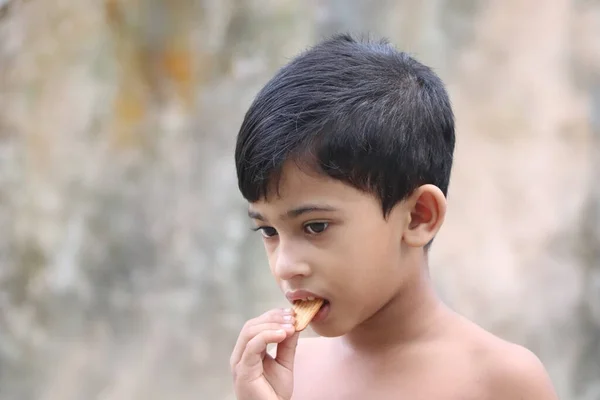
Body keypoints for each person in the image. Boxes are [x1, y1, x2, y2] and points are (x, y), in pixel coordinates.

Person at [229, 33, 558, 400]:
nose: (285, 266)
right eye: (269, 230)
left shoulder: (501, 381)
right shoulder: (282, 378)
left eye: (315, 226)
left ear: (418, 216)